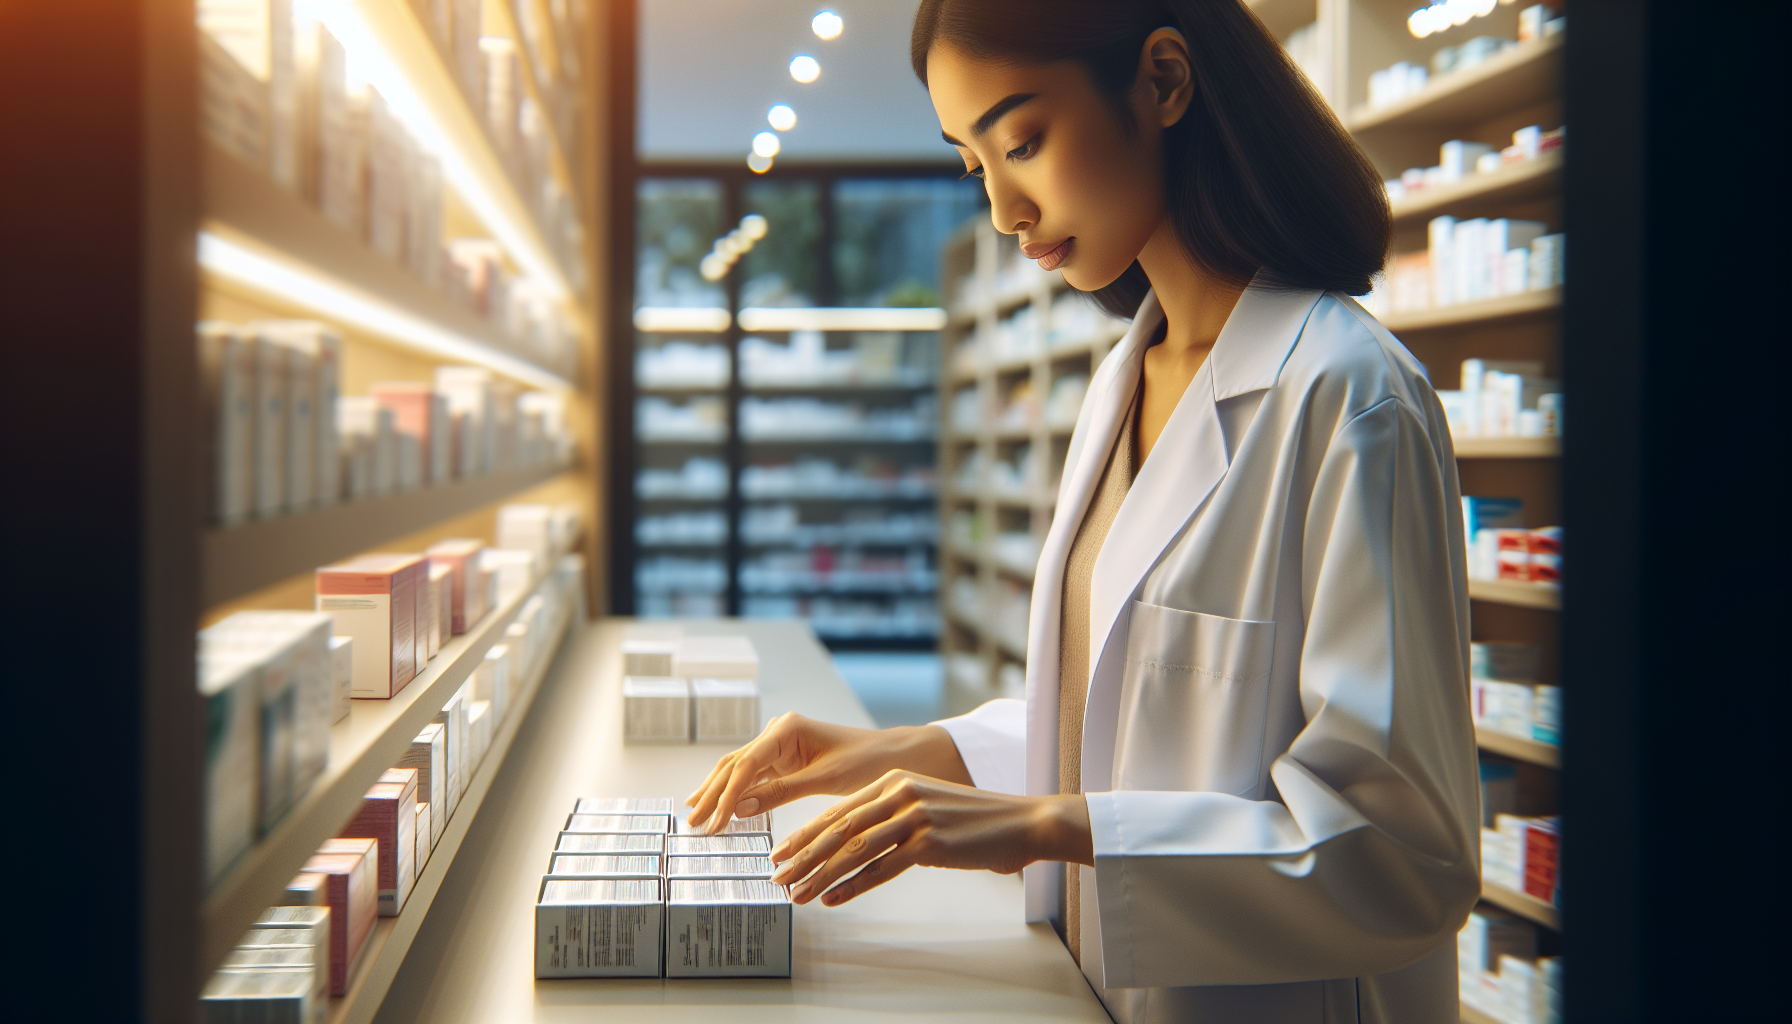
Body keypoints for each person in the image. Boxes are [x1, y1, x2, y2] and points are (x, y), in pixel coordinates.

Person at [685, 1, 1480, 1019]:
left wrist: (1049, 827)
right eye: (976, 167)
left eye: (1022, 140)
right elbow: (1136, 722)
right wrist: (900, 753)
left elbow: (1403, 852)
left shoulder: (1349, 394)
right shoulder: (1122, 381)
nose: (1007, 210)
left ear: (1161, 82)